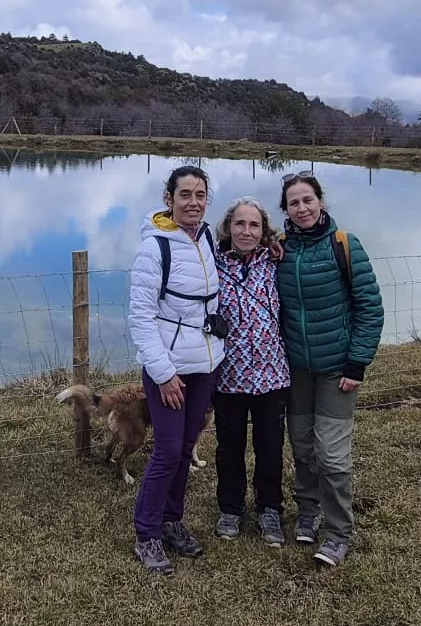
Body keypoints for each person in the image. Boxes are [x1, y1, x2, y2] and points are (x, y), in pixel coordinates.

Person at [275, 170, 382, 567]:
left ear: (320, 202)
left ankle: (338, 532)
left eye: (308, 200)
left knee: (333, 455)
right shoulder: (280, 249)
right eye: (293, 202)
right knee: (302, 446)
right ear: (284, 209)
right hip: (295, 370)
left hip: (337, 369)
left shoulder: (344, 245)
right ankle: (308, 510)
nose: (301, 208)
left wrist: (358, 362)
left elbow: (370, 307)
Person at [125, 165, 225, 575]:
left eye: (200, 195)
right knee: (166, 450)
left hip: (206, 366)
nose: (193, 202)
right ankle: (146, 533)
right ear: (169, 199)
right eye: (185, 194)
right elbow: (141, 319)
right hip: (171, 370)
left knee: (185, 448)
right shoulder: (155, 249)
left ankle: (172, 521)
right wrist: (164, 374)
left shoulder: (208, 240)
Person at [209, 197, 291, 548]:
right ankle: (230, 508)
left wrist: (281, 246)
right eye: (239, 224)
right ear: (228, 228)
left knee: (270, 446)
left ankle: (270, 508)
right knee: (229, 447)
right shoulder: (210, 263)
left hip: (272, 374)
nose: (246, 231)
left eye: (254, 225)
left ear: (264, 230)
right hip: (229, 375)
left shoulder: (276, 263)